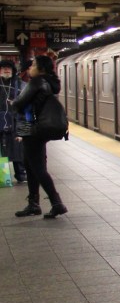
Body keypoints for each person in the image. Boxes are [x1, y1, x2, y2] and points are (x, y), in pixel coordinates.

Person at [11, 55, 67, 218]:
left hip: (33, 129)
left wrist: (13, 103)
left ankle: (57, 203)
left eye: (33, 65)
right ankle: (33, 204)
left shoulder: (36, 81)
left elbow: (19, 103)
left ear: (41, 68)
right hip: (39, 128)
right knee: (30, 165)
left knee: (38, 168)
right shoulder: (49, 82)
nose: (30, 68)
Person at [0, 59, 28, 184]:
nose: (6, 70)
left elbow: (26, 103)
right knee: (1, 150)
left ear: (13, 70)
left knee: (18, 148)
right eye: (4, 68)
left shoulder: (19, 84)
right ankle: (3, 176)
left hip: (16, 120)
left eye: (9, 68)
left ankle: (20, 174)